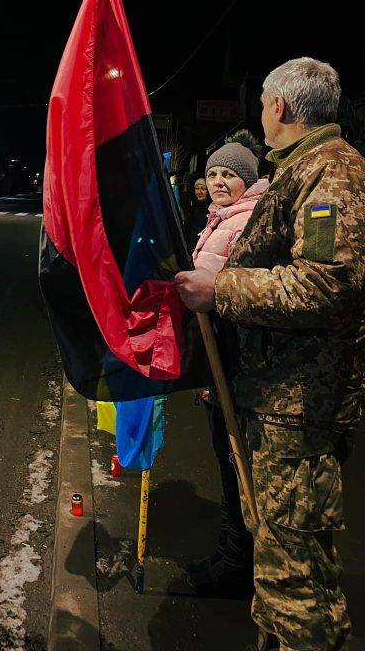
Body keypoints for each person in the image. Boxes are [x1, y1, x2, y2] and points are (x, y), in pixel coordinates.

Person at [176, 57, 365, 651]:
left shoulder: (330, 171)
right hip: (278, 396)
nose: (260, 112)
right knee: (277, 566)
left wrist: (221, 288)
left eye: (261, 102)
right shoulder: (302, 169)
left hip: (300, 403)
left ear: (279, 106)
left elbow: (329, 283)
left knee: (296, 577)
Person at [185, 132, 269, 599]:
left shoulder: (248, 221)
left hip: (237, 361)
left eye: (230, 174)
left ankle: (239, 562)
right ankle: (230, 553)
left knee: (238, 461)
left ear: (248, 181)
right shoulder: (219, 219)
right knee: (225, 458)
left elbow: (235, 285)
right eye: (214, 173)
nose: (219, 180)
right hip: (218, 358)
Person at [185, 176, 210, 250]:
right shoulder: (192, 209)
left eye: (203, 188)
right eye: (197, 188)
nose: (199, 192)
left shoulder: (212, 210)